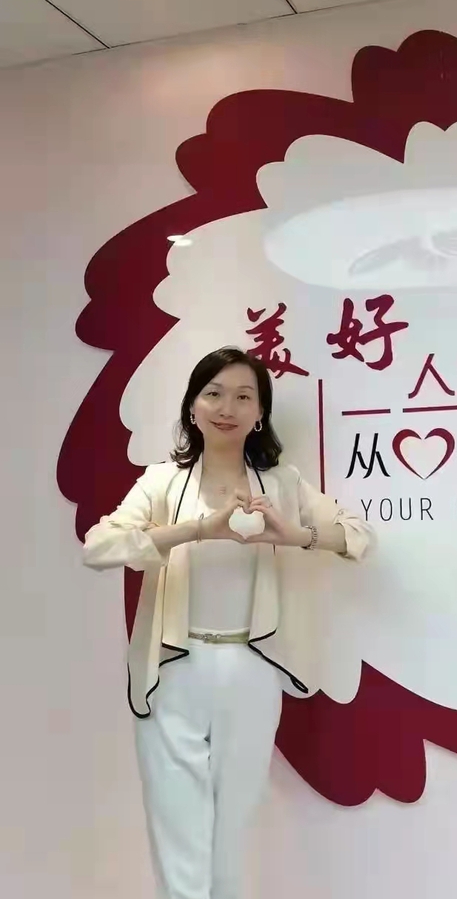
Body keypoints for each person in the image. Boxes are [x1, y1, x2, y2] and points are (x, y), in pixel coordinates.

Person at [83, 346, 375, 899]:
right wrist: (195, 530)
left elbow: (359, 537)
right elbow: (99, 547)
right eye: (214, 393)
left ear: (260, 413)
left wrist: (297, 535)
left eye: (244, 396)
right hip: (172, 670)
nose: (227, 408)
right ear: (192, 406)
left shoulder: (281, 483)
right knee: (178, 834)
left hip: (251, 668)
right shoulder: (161, 481)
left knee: (232, 835)